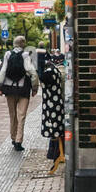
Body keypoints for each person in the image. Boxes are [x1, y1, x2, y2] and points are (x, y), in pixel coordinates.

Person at [0, 34, 39, 150]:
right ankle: (19, 141)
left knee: (12, 115)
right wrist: (35, 88)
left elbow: (3, 70)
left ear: (14, 44)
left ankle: (13, 138)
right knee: (22, 115)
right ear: (23, 44)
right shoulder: (25, 55)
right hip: (23, 89)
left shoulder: (7, 54)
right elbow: (32, 72)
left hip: (9, 89)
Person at [39, 46, 66, 174]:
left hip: (52, 106)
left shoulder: (48, 72)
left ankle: (58, 155)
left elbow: (40, 77)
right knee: (56, 132)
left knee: (55, 131)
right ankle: (57, 154)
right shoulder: (52, 70)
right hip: (54, 104)